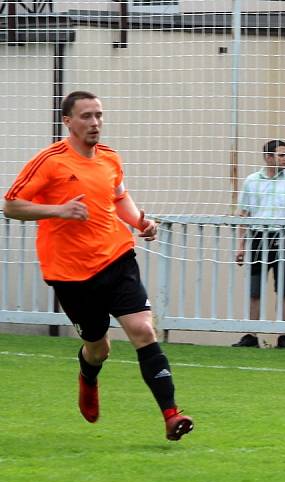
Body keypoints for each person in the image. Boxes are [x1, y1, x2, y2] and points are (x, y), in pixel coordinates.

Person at [3, 91, 193, 441]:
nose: (95, 123)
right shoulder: (50, 161)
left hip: (116, 256)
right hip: (71, 273)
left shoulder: (110, 158)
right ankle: (88, 377)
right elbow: (12, 206)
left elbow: (118, 197)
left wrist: (139, 222)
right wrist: (58, 210)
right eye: (86, 116)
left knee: (143, 331)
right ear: (67, 121)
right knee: (98, 348)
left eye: (99, 116)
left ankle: (171, 415)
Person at [233, 139, 285, 349]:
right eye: (281, 155)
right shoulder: (252, 181)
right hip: (259, 236)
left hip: (283, 237)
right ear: (268, 157)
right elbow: (244, 214)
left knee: (283, 288)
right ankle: (251, 334)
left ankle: (283, 336)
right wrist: (240, 246)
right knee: (255, 288)